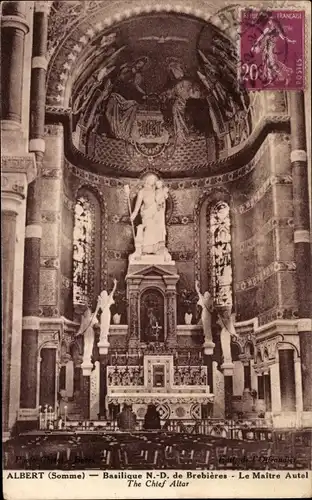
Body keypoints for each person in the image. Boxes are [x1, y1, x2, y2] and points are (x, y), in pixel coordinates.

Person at [130, 174, 170, 260]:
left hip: (157, 215)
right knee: (148, 228)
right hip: (147, 214)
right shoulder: (142, 192)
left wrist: (161, 200)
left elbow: (161, 202)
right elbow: (137, 206)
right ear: (147, 181)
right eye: (151, 179)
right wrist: (134, 213)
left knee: (157, 229)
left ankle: (157, 249)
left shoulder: (157, 191)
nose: (153, 181)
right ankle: (146, 249)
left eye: (154, 180)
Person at [98, 279, 117, 343]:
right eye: (104, 294)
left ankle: (103, 338)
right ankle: (103, 338)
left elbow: (112, 291)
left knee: (104, 326)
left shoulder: (103, 301)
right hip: (106, 314)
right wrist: (115, 284)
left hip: (104, 314)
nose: (105, 295)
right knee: (104, 326)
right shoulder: (106, 300)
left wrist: (115, 284)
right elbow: (113, 291)